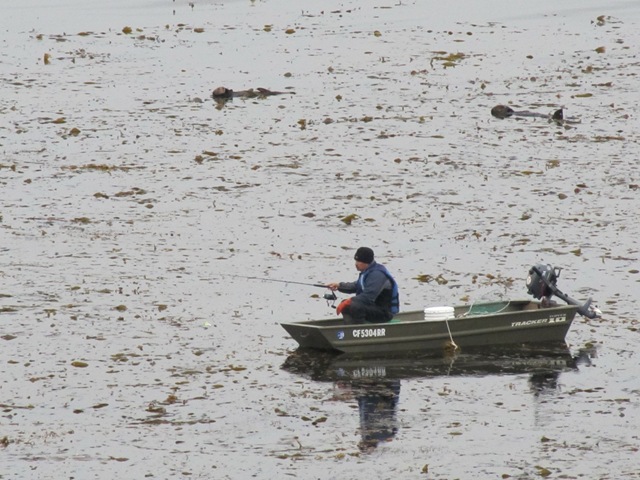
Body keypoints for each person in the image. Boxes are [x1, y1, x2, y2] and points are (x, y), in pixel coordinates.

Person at [326, 247, 400, 324]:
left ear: (366, 262)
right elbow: (356, 285)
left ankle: (359, 328)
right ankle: (350, 326)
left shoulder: (377, 274)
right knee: (346, 304)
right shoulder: (367, 271)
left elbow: (368, 296)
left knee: (354, 306)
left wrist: (349, 301)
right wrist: (339, 286)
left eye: (358, 261)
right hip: (372, 308)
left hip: (384, 313)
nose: (356, 264)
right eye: (355, 261)